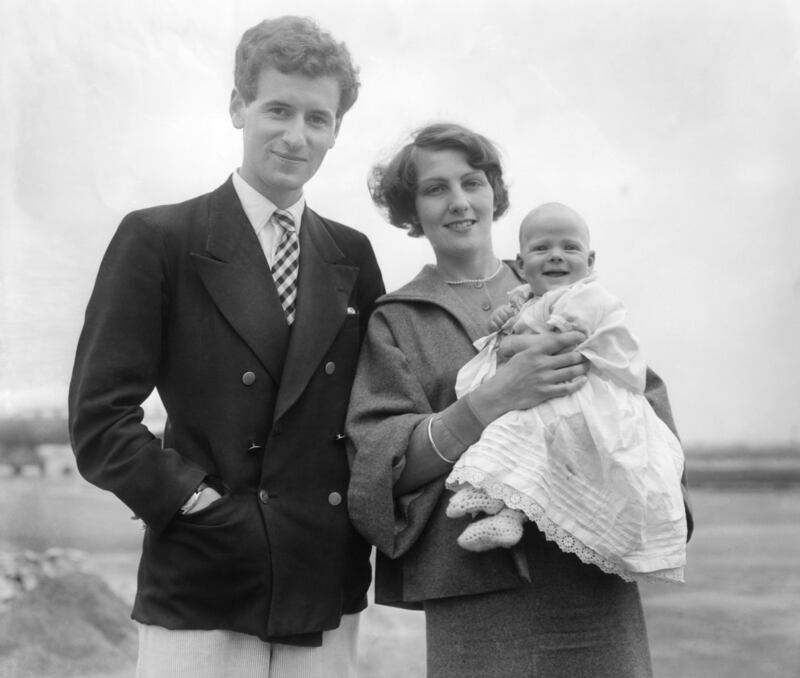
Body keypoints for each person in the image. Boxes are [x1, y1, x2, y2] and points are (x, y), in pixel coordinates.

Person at [69, 16, 384, 678]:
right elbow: (100, 416)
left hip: (323, 575)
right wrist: (191, 502)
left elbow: (374, 411)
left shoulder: (352, 255)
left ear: (335, 131)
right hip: (205, 573)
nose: (296, 136)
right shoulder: (159, 239)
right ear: (238, 107)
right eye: (278, 109)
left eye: (317, 118)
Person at [346, 122, 693, 678]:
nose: (459, 202)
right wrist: (490, 401)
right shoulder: (398, 318)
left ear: (494, 194)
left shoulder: (569, 288)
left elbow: (642, 401)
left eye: (472, 182)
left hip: (594, 574)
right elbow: (379, 468)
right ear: (411, 209)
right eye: (436, 189)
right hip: (476, 592)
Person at [445, 202, 687, 584]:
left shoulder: (587, 297)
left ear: (589, 261)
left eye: (569, 248)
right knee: (520, 437)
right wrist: (503, 324)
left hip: (589, 400)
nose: (556, 255)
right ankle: (507, 512)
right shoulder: (529, 300)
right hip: (554, 394)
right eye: (542, 248)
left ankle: (506, 507)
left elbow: (560, 342)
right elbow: (522, 328)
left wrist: (509, 345)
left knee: (535, 437)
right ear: (522, 266)